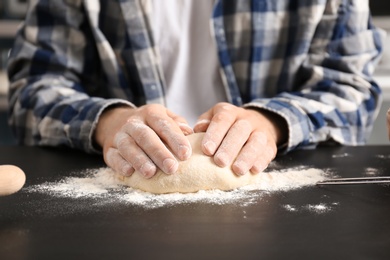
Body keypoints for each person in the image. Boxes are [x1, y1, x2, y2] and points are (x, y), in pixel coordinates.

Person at [7, 0, 385, 179]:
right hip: (115, 185)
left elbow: (351, 87)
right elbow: (34, 89)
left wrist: (270, 124)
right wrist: (109, 122)